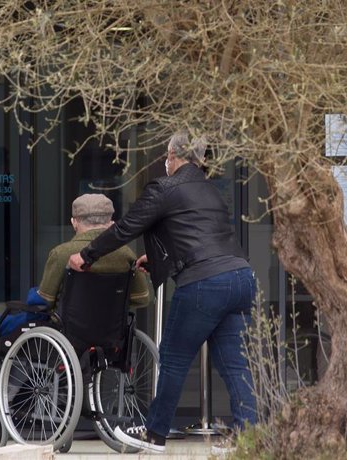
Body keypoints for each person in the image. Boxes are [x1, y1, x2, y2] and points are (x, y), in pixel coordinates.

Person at [68, 131, 257, 454]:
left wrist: (86, 256)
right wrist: (154, 260)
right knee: (236, 366)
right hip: (239, 277)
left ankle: (153, 434)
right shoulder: (210, 190)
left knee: (172, 360)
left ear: (173, 156)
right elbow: (194, 234)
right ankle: (251, 437)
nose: (165, 162)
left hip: (203, 283)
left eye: (167, 156)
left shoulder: (165, 188)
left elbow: (126, 227)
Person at [0, 193, 150, 419]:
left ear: (74, 222)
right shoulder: (126, 254)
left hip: (66, 335)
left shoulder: (63, 253)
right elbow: (142, 298)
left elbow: (43, 302)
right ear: (111, 222)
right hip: (111, 334)